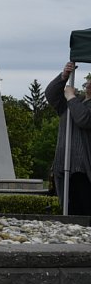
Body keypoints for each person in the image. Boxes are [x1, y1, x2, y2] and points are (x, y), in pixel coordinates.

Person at [46, 61, 91, 215]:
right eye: (89, 82)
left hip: (84, 169)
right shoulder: (73, 102)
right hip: (63, 165)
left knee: (84, 210)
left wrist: (71, 97)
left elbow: (83, 119)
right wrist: (64, 76)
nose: (89, 84)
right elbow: (51, 95)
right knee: (68, 208)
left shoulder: (74, 101)